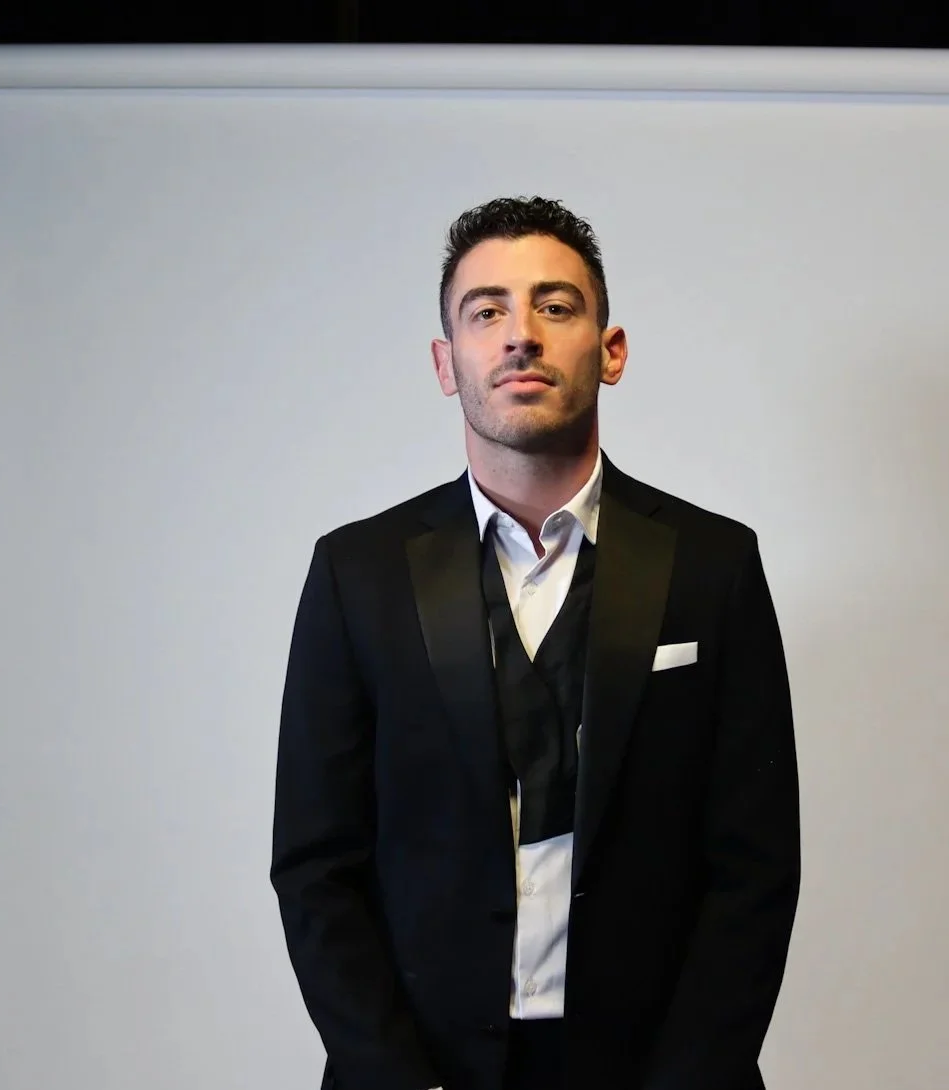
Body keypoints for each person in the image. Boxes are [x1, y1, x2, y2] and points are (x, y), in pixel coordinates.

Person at [270, 196, 800, 1090]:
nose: (522, 334)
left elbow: (754, 866)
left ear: (611, 348)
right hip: (425, 1068)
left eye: (556, 307)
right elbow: (317, 864)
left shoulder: (715, 564)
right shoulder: (356, 574)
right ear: (448, 362)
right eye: (487, 312)